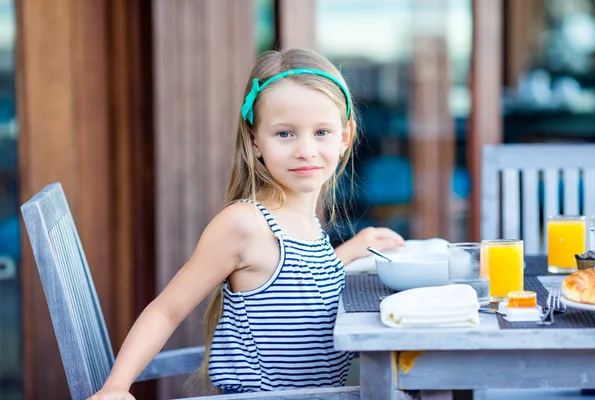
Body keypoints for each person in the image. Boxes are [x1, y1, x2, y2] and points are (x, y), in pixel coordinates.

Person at [89, 48, 404, 399]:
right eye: (285, 134)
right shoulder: (245, 225)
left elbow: (297, 285)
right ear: (255, 141)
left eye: (321, 132)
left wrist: (347, 252)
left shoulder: (307, 223)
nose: (305, 149)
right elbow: (167, 309)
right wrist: (115, 387)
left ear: (345, 137)